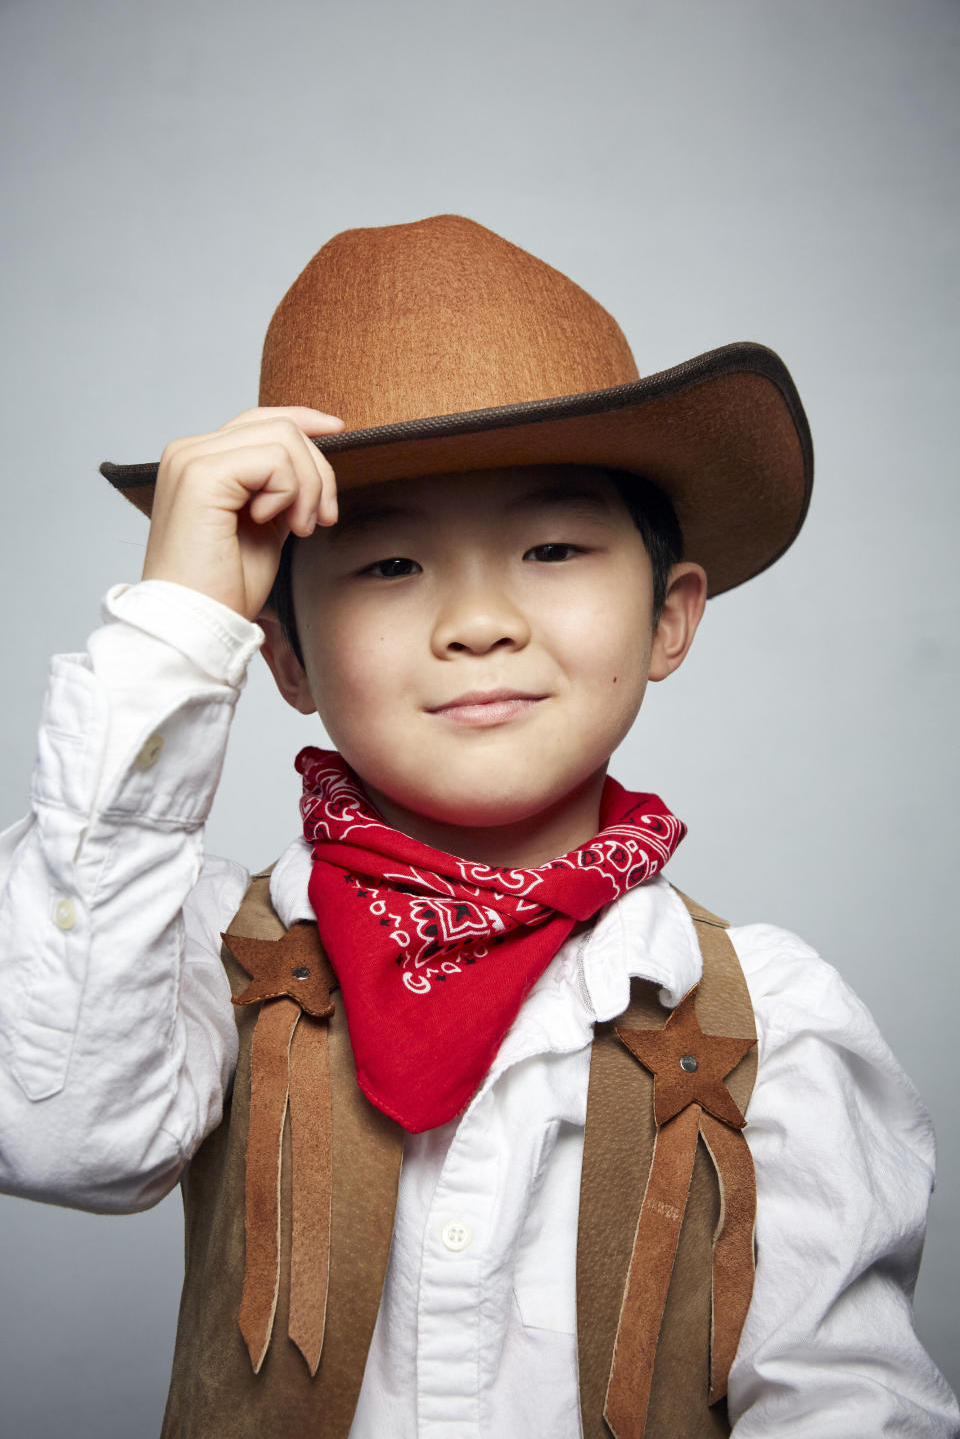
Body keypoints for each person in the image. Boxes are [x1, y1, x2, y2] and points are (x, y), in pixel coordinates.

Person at [0, 214, 957, 1439]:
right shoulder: (198, 953)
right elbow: (58, 1130)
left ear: (670, 618)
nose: (479, 621)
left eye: (553, 547)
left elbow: (848, 1407)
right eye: (390, 566)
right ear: (283, 651)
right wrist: (184, 624)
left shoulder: (775, 1018)